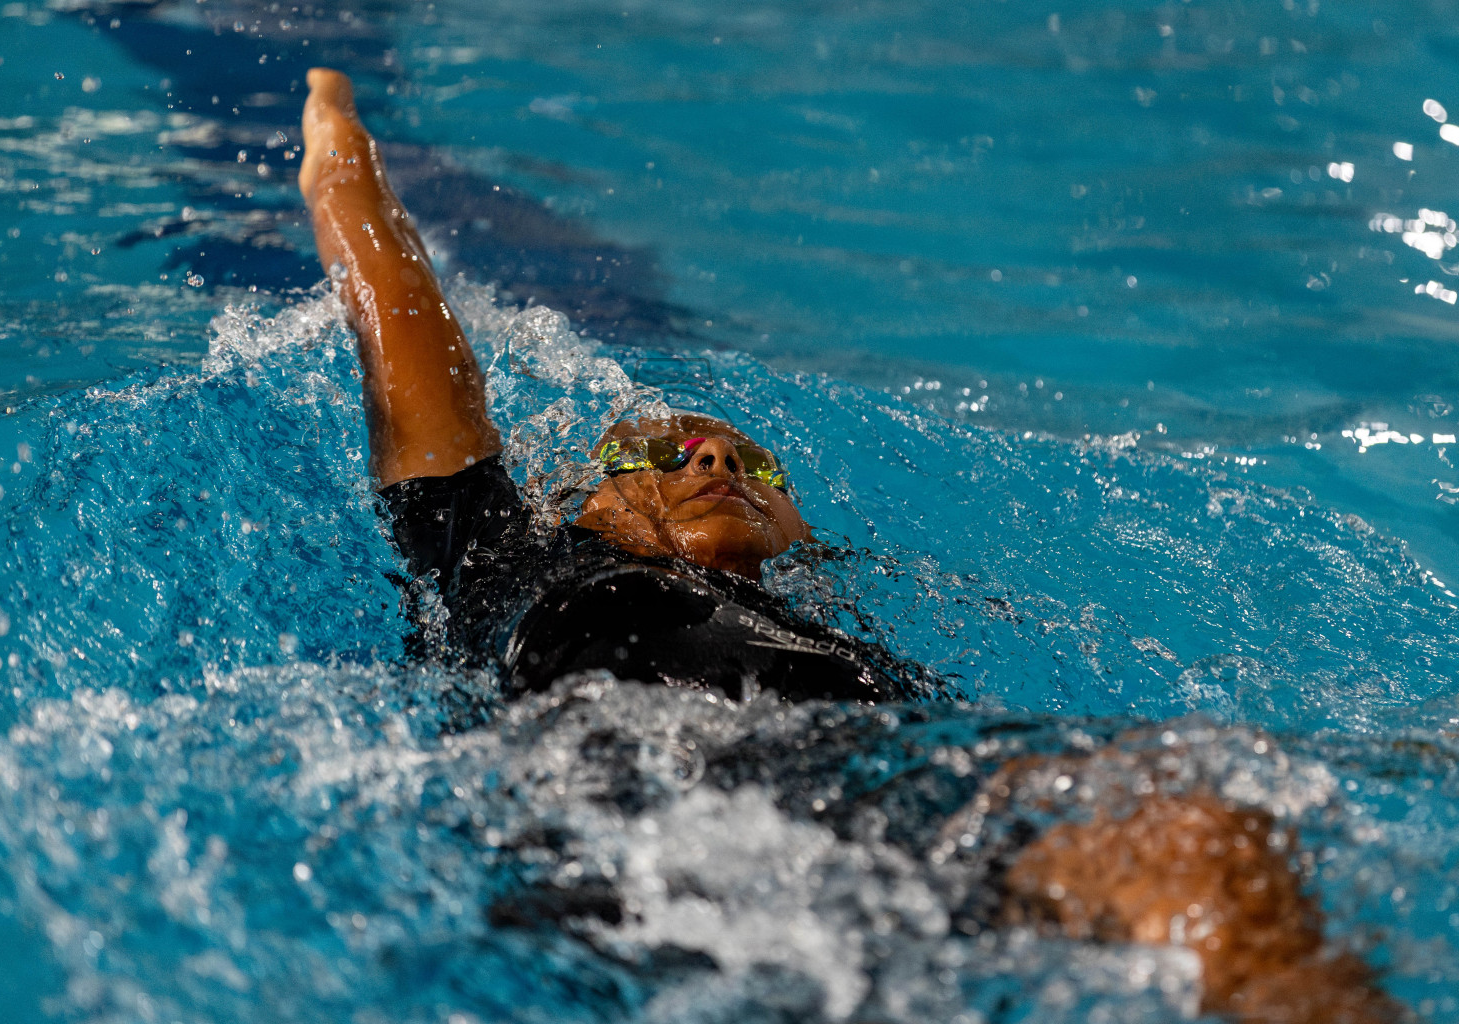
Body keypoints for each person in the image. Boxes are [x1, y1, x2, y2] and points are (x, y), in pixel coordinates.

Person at [296, 68, 1402, 1023]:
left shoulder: (870, 665)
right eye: (670, 452)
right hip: (629, 826)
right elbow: (401, 329)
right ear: (589, 496)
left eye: (749, 463)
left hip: (871, 817)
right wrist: (340, 140)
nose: (716, 464)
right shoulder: (506, 555)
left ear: (794, 528)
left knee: (1208, 852)